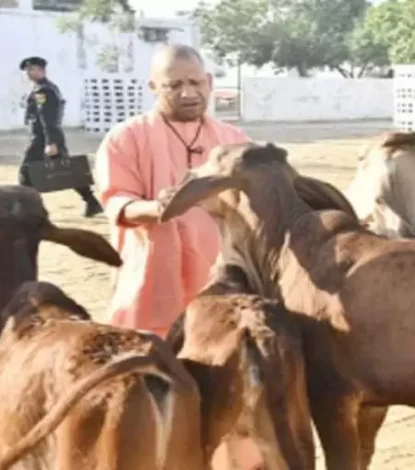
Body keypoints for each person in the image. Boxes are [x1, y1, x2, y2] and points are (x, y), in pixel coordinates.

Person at [94, 44, 263, 469]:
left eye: (195, 82)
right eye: (174, 85)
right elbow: (118, 202)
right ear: (154, 87)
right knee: (144, 403)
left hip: (220, 295)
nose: (188, 92)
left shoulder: (233, 141)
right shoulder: (124, 138)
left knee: (229, 400)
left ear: (208, 83)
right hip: (153, 290)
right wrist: (158, 207)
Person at [18, 56, 104, 217]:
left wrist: (51, 141)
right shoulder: (42, 88)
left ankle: (27, 209)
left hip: (42, 138)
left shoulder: (43, 91)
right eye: (27, 70)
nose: (28, 73)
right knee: (67, 170)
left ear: (42, 71)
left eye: (32, 69)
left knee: (25, 172)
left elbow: (47, 117)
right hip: (47, 137)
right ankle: (91, 202)